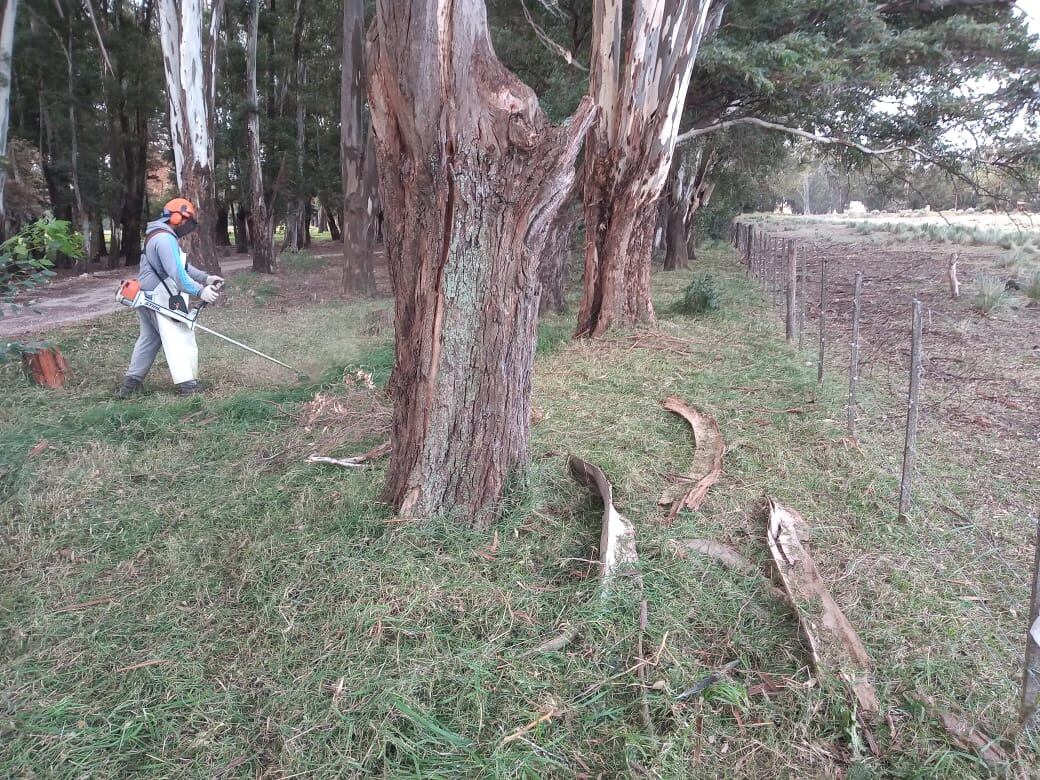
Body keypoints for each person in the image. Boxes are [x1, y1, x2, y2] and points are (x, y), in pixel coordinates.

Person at [117, 198, 223, 397]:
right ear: (175, 217)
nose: (187, 227)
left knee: (148, 339)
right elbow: (177, 274)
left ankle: (130, 384)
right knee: (179, 336)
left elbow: (181, 265)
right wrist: (201, 291)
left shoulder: (159, 236)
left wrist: (205, 277)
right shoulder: (165, 239)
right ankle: (188, 386)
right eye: (186, 221)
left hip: (148, 295)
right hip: (159, 296)